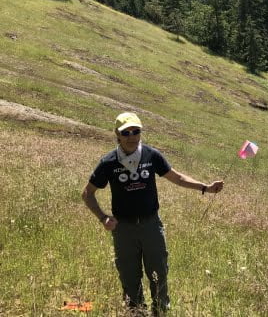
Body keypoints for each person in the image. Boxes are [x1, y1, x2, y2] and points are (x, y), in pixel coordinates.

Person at [81, 112, 224, 315]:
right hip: (124, 230)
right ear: (117, 134)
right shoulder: (109, 162)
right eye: (126, 132)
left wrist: (205, 187)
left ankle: (160, 312)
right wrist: (103, 217)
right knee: (129, 278)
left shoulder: (151, 155)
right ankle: (136, 312)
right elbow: (87, 194)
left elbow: (178, 178)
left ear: (141, 133)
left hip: (151, 226)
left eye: (136, 131)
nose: (131, 136)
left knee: (159, 273)